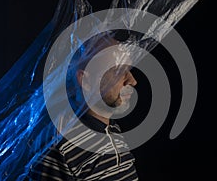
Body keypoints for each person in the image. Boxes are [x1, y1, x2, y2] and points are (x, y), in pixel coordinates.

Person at [27, 36, 139, 180]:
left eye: (128, 70)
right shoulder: (59, 143)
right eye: (118, 72)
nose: (132, 81)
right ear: (85, 80)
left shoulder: (111, 129)